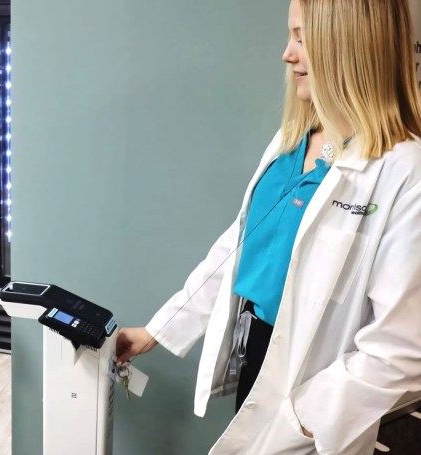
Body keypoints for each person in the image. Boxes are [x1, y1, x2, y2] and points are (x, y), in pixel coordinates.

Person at [115, 0, 421, 453]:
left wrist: (306, 420)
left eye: (300, 36)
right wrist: (158, 330)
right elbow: (240, 245)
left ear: (346, 44)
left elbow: (401, 348)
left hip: (321, 390)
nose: (287, 53)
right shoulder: (293, 140)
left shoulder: (404, 170)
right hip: (261, 350)